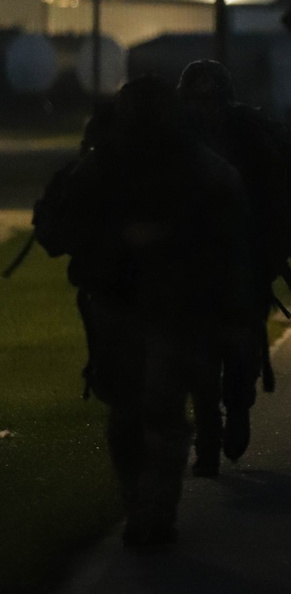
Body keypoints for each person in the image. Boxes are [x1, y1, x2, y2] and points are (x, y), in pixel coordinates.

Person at [32, 77, 255, 548]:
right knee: (148, 414)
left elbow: (55, 230)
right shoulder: (191, 167)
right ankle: (149, 506)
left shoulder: (108, 165)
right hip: (147, 308)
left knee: (143, 414)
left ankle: (148, 507)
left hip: (142, 309)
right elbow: (233, 240)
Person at [177, 60, 291, 476]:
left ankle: (237, 411)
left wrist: (266, 254)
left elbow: (276, 203)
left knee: (239, 350)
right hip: (191, 268)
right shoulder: (174, 143)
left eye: (212, 99)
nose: (205, 108)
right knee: (196, 356)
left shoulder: (249, 143)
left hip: (240, 264)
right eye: (197, 100)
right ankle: (209, 441)